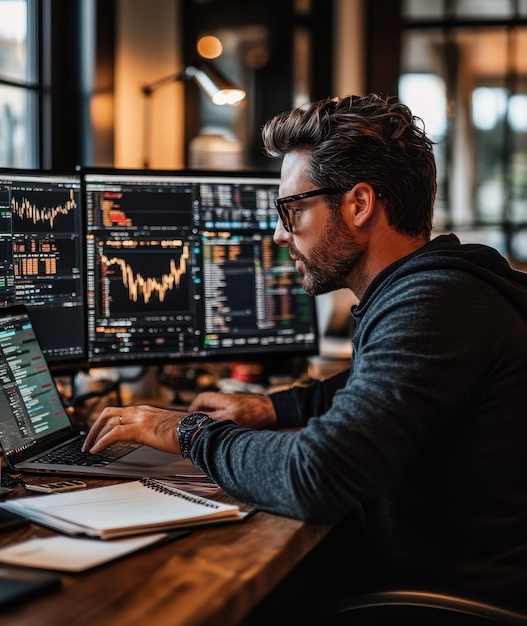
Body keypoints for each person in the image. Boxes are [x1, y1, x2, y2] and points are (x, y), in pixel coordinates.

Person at [83, 94, 527, 615]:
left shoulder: (433, 304)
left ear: (359, 204)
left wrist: (183, 432)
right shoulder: (446, 286)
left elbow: (316, 475)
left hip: (449, 603)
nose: (278, 233)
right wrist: (272, 408)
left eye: (291, 210)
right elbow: (378, 381)